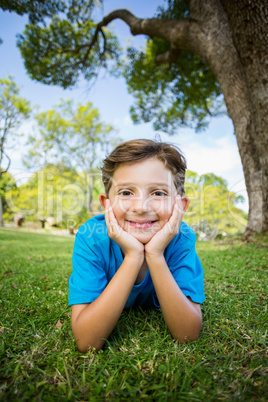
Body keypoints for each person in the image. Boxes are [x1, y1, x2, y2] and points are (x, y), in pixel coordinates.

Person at [68, 139, 205, 352]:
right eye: (126, 192)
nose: (141, 207)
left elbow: (187, 334)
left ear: (180, 205)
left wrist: (155, 255)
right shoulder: (91, 237)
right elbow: (86, 341)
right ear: (107, 204)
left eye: (158, 193)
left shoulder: (182, 238)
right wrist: (133, 257)